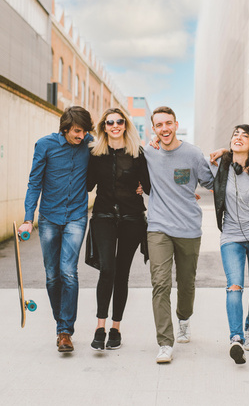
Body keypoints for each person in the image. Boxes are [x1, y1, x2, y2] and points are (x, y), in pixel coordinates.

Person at [18, 106, 94, 353]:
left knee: (68, 272)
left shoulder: (89, 143)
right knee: (52, 276)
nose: (81, 136)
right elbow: (34, 182)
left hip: (76, 217)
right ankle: (61, 322)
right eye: (76, 131)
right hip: (49, 217)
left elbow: (118, 144)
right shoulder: (45, 145)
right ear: (65, 129)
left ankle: (64, 331)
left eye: (84, 132)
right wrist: (28, 218)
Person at [144, 106, 214, 363]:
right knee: (160, 283)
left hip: (188, 228)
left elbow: (212, 183)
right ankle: (164, 342)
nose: (164, 129)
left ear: (176, 124)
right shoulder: (148, 152)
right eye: (159, 125)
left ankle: (184, 318)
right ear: (153, 129)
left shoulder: (194, 154)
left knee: (186, 282)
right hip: (158, 227)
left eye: (168, 123)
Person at [86, 108, 151, 351]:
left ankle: (116, 328)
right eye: (110, 122)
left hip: (132, 219)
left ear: (125, 125)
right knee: (107, 269)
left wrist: (140, 187)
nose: (115, 125)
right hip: (103, 216)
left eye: (119, 122)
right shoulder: (95, 154)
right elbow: (88, 185)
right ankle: (99, 327)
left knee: (122, 272)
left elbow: (149, 187)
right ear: (104, 126)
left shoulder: (137, 154)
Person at [210, 125, 249, 365]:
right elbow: (188, 168)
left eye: (245, 136)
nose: (238, 137)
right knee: (234, 285)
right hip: (231, 236)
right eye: (235, 133)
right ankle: (236, 338)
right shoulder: (221, 165)